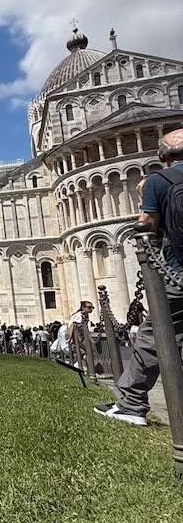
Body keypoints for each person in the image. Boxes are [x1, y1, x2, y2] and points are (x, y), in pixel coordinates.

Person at [96, 128, 183, 426]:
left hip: (178, 274)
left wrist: (143, 195)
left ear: (162, 156)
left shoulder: (160, 181)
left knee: (155, 336)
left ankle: (131, 405)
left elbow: (147, 225)